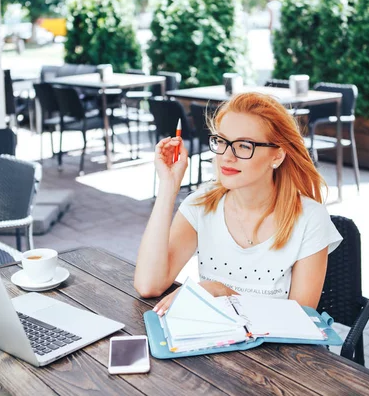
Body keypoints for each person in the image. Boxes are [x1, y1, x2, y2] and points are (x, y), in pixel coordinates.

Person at [134, 92, 342, 316]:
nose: (226, 156)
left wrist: (223, 293)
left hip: (276, 351)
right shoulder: (200, 205)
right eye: (221, 141)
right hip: (213, 343)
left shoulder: (310, 218)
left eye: (244, 145)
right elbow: (149, 285)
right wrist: (168, 186)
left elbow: (301, 319)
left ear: (277, 156)